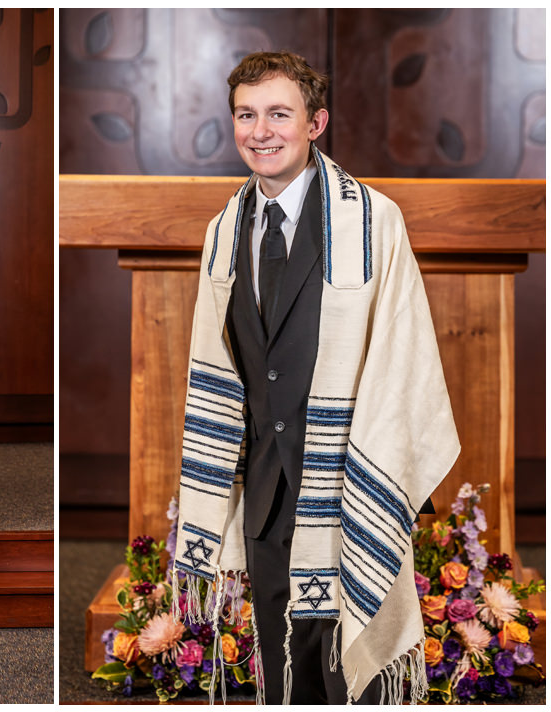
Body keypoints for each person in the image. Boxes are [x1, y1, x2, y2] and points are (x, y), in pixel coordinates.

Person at [170, 52, 459, 704]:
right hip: (269, 485)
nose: (261, 131)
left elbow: (402, 353)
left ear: (316, 123)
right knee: (283, 658)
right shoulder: (224, 230)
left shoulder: (372, 221)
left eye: (279, 113)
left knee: (348, 669)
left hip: (347, 475)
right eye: (247, 114)